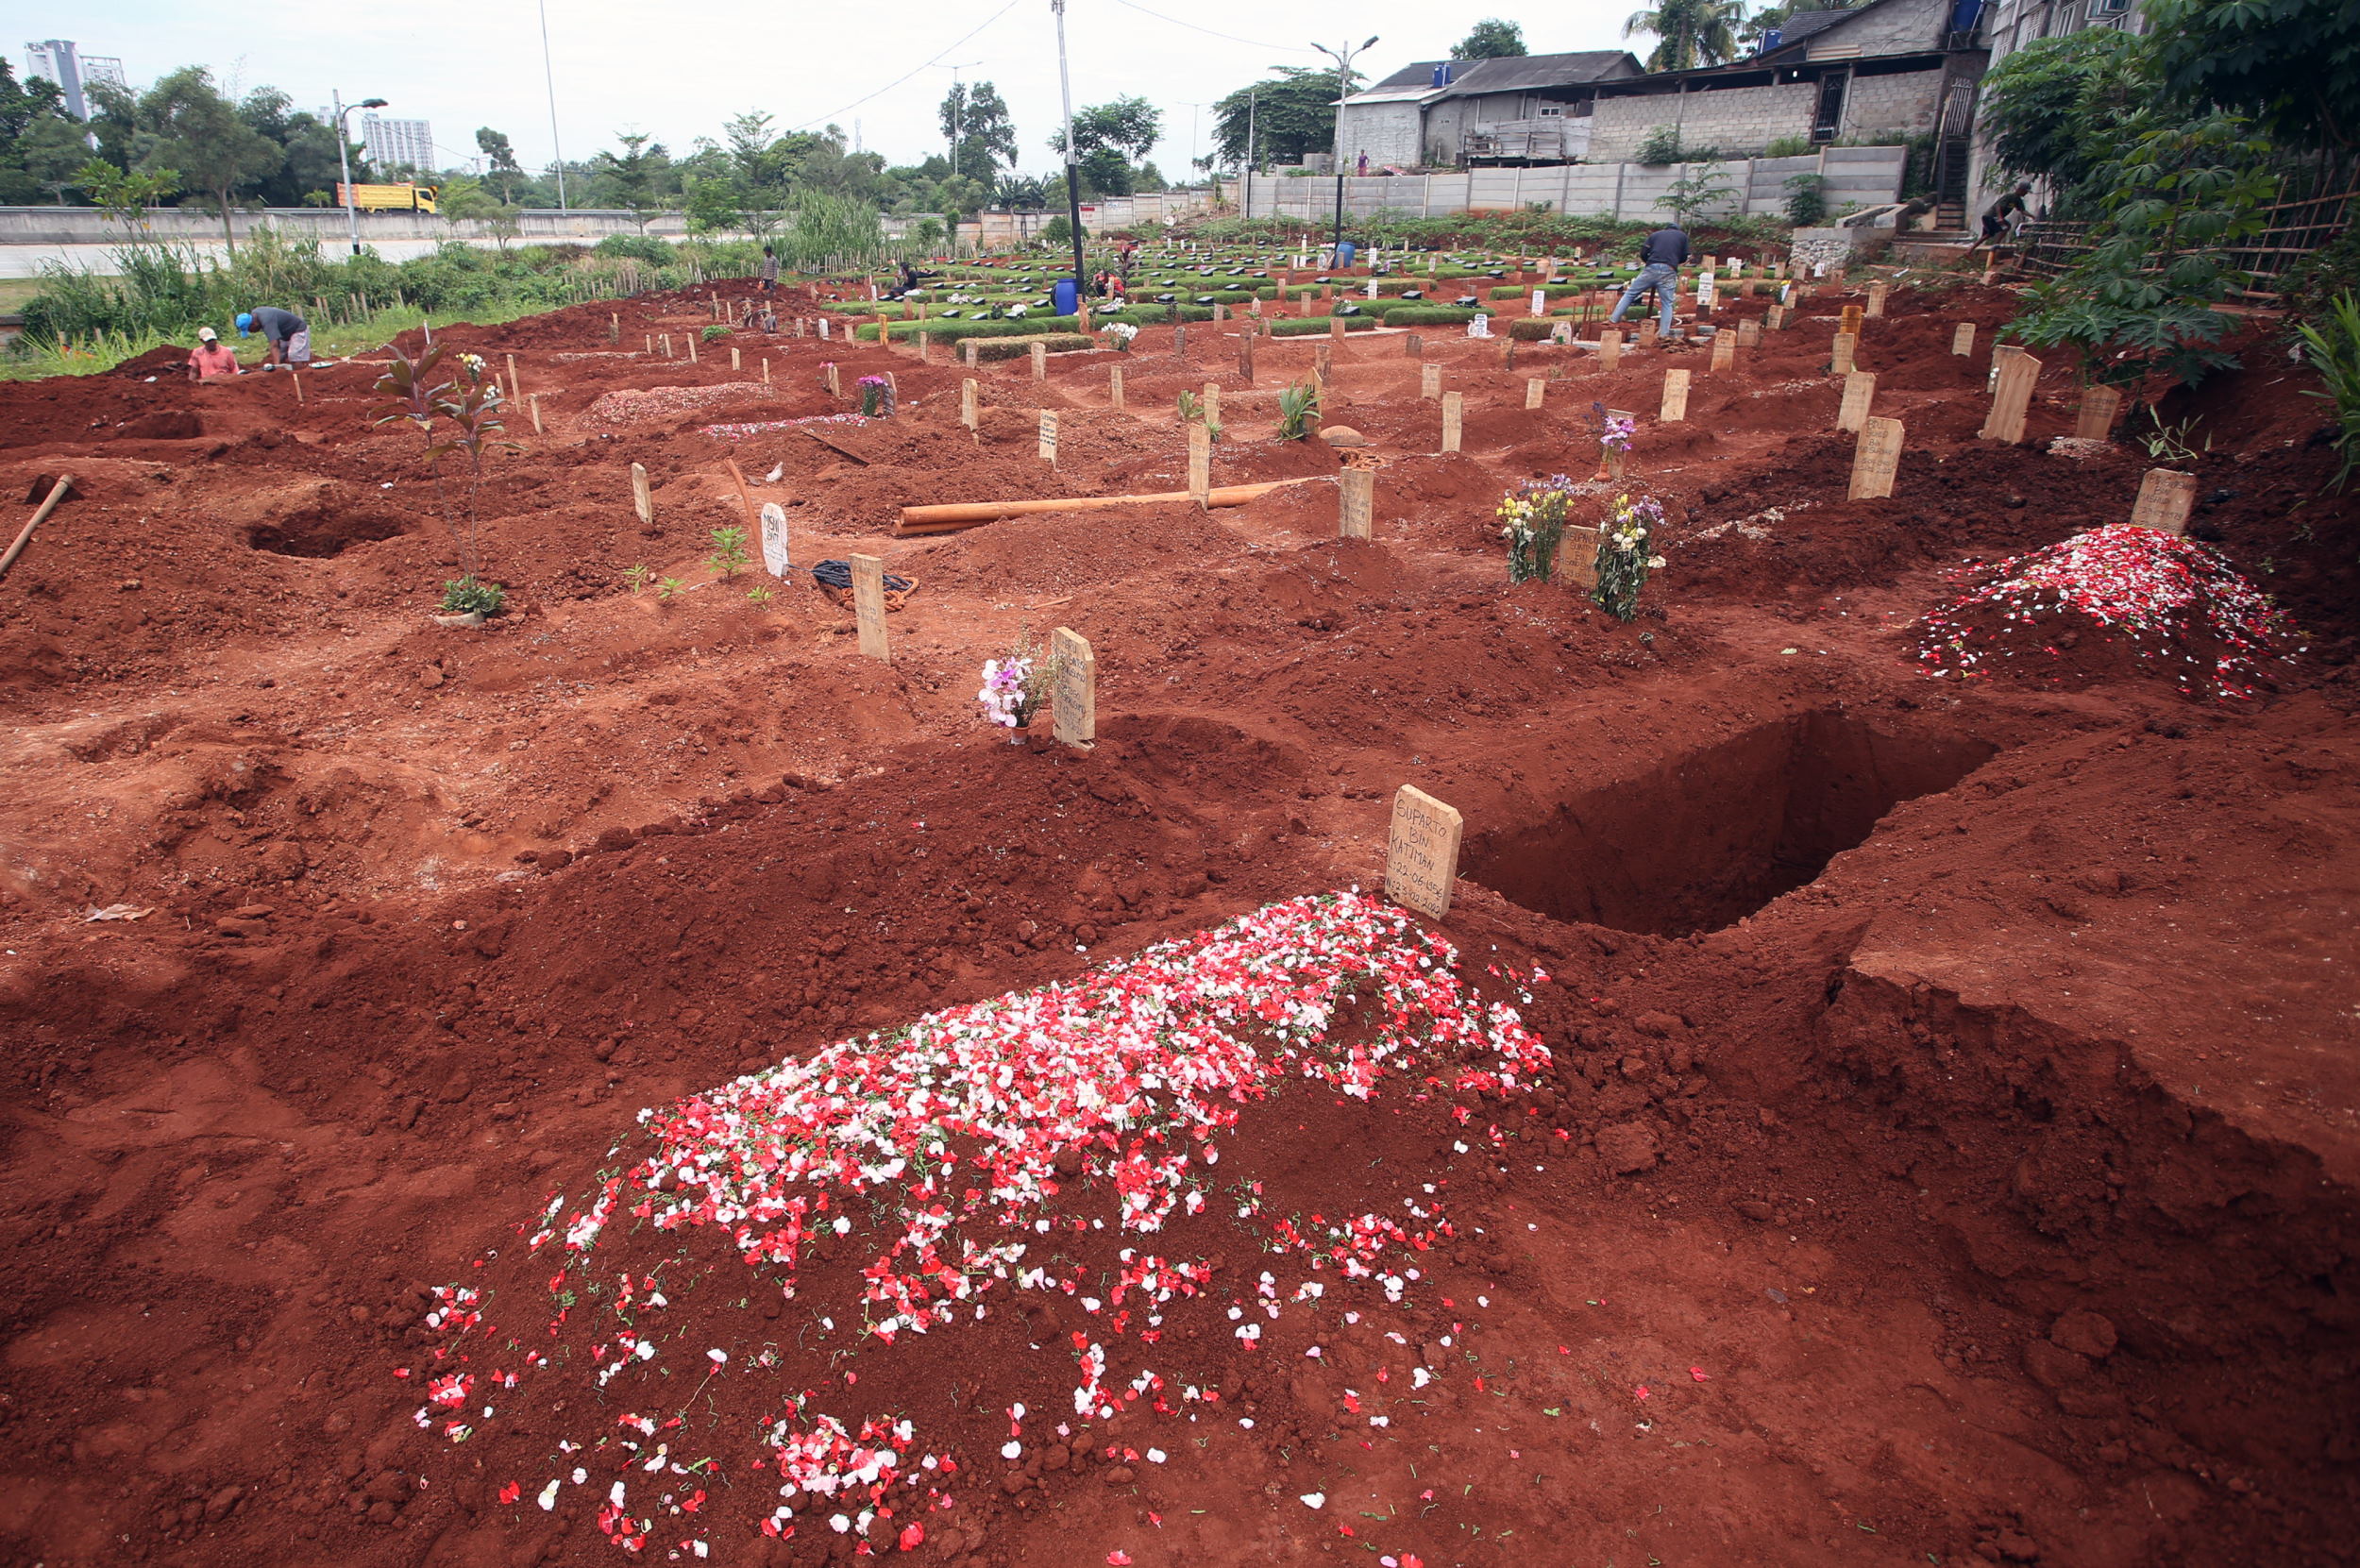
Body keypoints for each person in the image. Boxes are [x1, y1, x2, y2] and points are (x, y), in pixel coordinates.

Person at [1608, 223, 1689, 339]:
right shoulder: (1682, 236)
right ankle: (1664, 334)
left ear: (1665, 229)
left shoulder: (1655, 235)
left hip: (1651, 267)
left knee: (1630, 294)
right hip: (1669, 270)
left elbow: (1643, 253)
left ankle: (1613, 320)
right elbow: (1684, 257)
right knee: (1667, 303)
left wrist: (1649, 262)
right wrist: (1675, 261)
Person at [235, 306, 309, 370]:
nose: (251, 332)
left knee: (294, 355)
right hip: (285, 334)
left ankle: (300, 375)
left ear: (254, 324)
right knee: (281, 356)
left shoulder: (267, 320)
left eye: (249, 329)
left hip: (297, 329)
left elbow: (274, 345)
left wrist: (277, 368)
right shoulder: (255, 314)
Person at [1970, 183, 2033, 253]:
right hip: (1991, 216)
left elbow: (2022, 211)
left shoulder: (2018, 200)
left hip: (1993, 217)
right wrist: (2000, 217)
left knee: (1988, 234)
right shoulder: (2009, 196)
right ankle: (1995, 246)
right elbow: (1998, 206)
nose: (2026, 193)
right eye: (2025, 191)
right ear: (2020, 190)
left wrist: (2032, 216)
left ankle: (1971, 251)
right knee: (2005, 227)